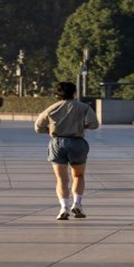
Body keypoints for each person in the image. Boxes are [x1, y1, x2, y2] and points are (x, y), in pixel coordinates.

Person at [34, 81, 99, 220]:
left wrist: (51, 131)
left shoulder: (51, 108)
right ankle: (77, 203)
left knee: (61, 179)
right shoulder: (83, 107)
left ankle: (63, 207)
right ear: (74, 92)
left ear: (56, 93)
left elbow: (38, 127)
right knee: (78, 176)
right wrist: (81, 127)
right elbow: (94, 124)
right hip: (77, 142)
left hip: (57, 143)